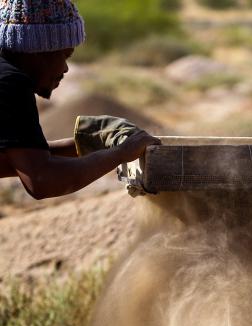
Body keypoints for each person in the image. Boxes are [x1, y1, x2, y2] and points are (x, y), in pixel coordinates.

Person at [0, 0, 160, 199]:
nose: (66, 69)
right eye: (66, 55)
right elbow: (42, 180)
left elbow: (20, 159)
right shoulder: (9, 83)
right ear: (39, 48)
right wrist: (120, 154)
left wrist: (88, 144)